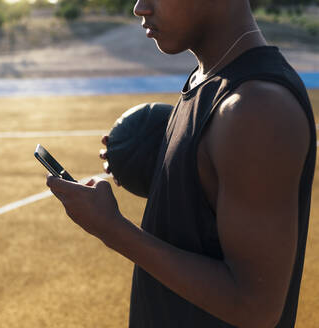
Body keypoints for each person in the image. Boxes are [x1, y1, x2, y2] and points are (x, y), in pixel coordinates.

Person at [46, 0, 316, 327]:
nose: (139, 7)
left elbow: (255, 307)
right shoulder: (209, 80)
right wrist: (161, 163)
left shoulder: (256, 109)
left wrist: (113, 230)